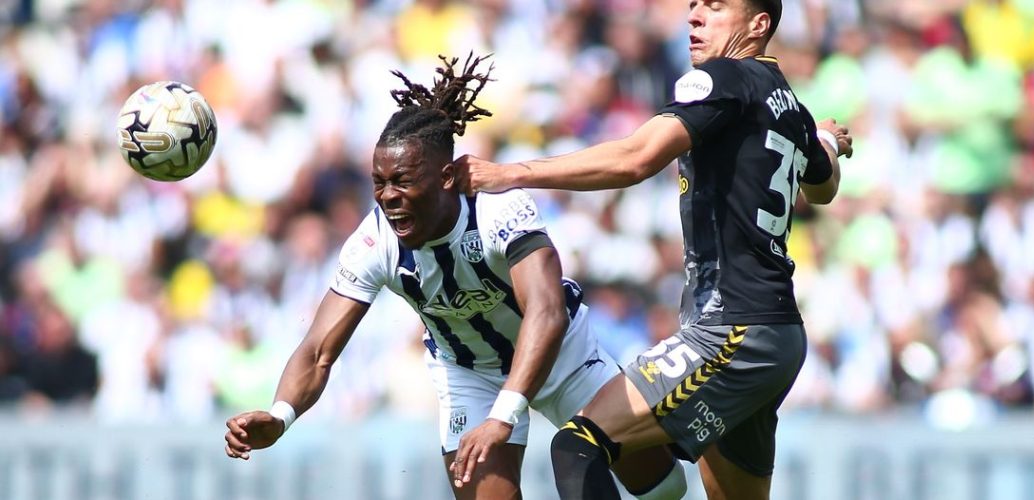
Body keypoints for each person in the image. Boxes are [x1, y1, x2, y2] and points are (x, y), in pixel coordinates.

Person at [221, 55, 687, 500]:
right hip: (469, 373)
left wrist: (506, 413)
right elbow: (319, 350)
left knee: (665, 488)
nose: (388, 197)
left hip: (561, 355)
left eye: (402, 180)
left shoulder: (500, 208)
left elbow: (546, 314)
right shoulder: (374, 241)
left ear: (446, 177)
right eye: (378, 182)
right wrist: (281, 415)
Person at [451, 1, 854, 499]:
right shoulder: (791, 105)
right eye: (693, 7)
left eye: (716, 7)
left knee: (579, 446)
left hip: (733, 331)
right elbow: (823, 188)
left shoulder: (723, 77)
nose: (695, 18)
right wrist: (828, 143)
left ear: (759, 25)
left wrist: (512, 173)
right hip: (777, 336)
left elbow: (635, 158)